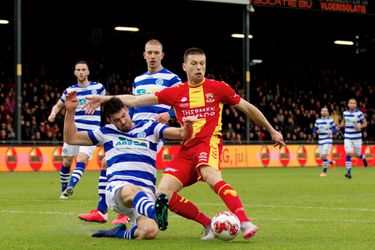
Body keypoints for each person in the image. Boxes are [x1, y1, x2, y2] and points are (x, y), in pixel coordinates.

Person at [86, 47, 285, 240]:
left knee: (210, 175)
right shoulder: (176, 92)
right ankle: (208, 224)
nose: (199, 67)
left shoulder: (218, 88)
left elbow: (247, 108)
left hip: (209, 143)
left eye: (202, 63)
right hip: (186, 148)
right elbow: (136, 101)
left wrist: (271, 130)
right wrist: (104, 99)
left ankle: (244, 221)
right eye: (194, 64)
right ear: (184, 67)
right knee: (161, 193)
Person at [64, 91, 196, 239]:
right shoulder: (106, 132)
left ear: (127, 109)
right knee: (132, 190)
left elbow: (182, 134)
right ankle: (155, 212)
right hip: (119, 189)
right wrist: (70, 111)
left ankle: (118, 233)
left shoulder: (150, 127)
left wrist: (188, 125)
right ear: (109, 120)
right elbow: (71, 138)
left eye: (123, 116)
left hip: (145, 195)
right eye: (117, 120)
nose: (123, 122)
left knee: (149, 232)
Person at [79, 39, 182, 224]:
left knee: (118, 163)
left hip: (151, 131)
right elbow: (133, 106)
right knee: (106, 162)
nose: (152, 56)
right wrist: (127, 123)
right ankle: (104, 212)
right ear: (144, 55)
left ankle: (121, 214)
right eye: (149, 52)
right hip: (133, 128)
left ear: (162, 55)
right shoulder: (138, 80)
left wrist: (170, 113)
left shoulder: (172, 79)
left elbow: (183, 102)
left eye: (156, 53)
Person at [48, 61, 107, 211]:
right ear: (75, 72)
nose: (81, 72)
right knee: (67, 161)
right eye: (78, 70)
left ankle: (71, 186)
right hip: (73, 130)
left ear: (88, 72)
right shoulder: (70, 91)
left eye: (83, 70)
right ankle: (63, 190)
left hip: (91, 131)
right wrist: (53, 112)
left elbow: (107, 103)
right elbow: (58, 105)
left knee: (82, 158)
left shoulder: (98, 88)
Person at [339, 98, 368, 179]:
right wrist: (339, 126)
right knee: (348, 153)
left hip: (357, 138)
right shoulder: (345, 113)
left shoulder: (360, 113)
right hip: (348, 137)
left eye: (353, 103)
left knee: (357, 155)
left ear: (356, 105)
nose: (352, 104)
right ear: (348, 104)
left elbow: (365, 123)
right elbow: (343, 121)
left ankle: (363, 158)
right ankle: (348, 172)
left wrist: (360, 126)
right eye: (350, 103)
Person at [313, 107, 337, 176]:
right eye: (323, 111)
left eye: (325, 111)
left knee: (323, 156)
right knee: (321, 157)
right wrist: (316, 131)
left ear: (327, 112)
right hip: (321, 141)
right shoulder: (318, 121)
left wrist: (332, 131)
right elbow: (314, 129)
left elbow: (336, 129)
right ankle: (332, 163)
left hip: (328, 140)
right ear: (321, 112)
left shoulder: (331, 120)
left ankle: (324, 172)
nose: (324, 112)